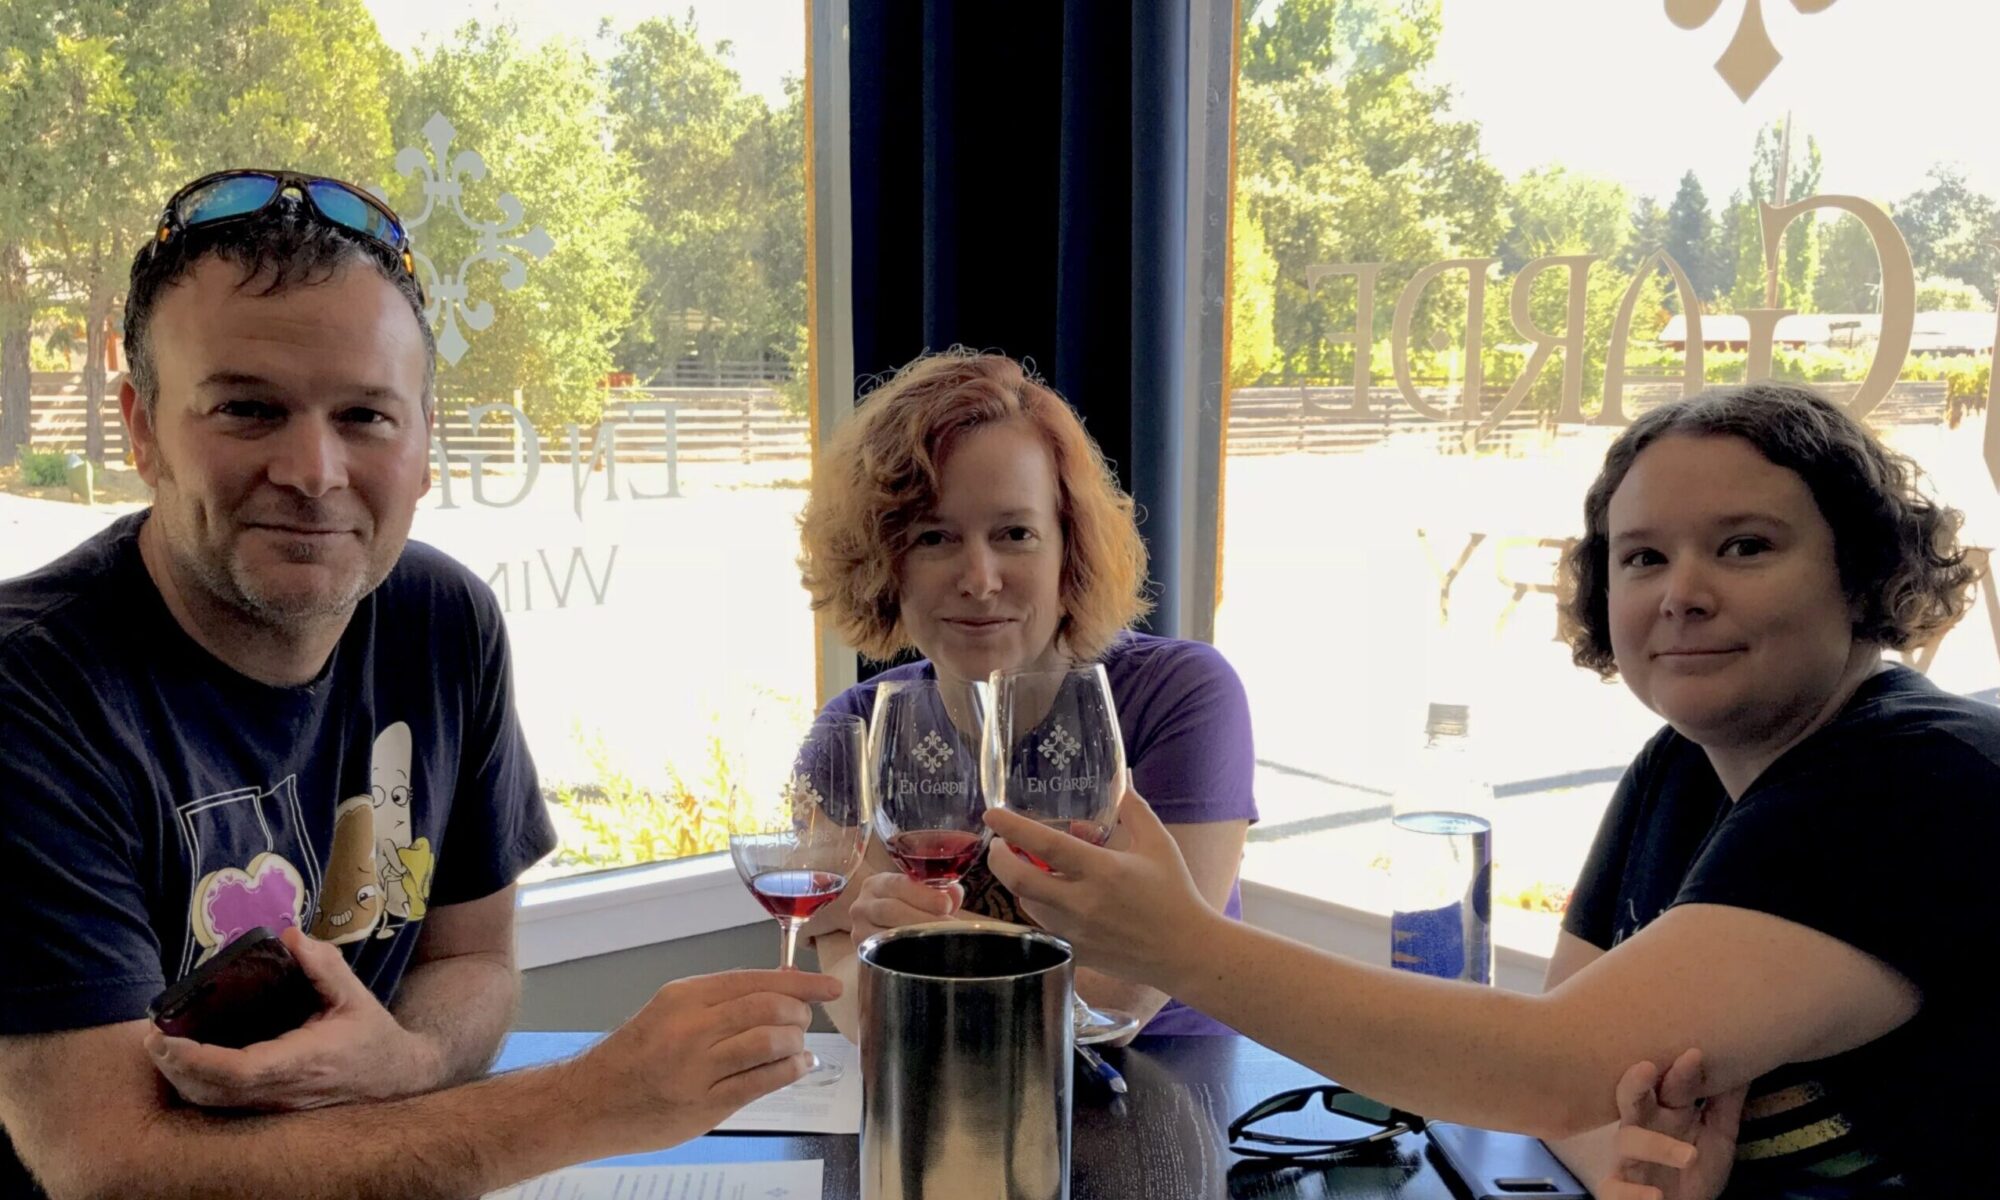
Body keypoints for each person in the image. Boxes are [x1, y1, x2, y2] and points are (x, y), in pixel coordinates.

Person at [0, 170, 835, 1200]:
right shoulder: (31, 690)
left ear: (426, 440)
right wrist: (592, 1102)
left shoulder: (444, 622)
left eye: (364, 416)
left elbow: (471, 961)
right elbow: (109, 1164)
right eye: (248, 410)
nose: (313, 469)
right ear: (141, 428)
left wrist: (412, 1060)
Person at [983, 381, 1997, 1194]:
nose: (1682, 592)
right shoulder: (1683, 765)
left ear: (1860, 571)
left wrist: (1182, 945)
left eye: (1743, 546)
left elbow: (1546, 1065)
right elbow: (1582, 1100)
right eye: (1642, 557)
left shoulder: (1914, 777)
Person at [795, 350, 1256, 1036]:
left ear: (1070, 546)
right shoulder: (854, 731)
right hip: (948, 1097)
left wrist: (917, 941)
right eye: (933, 537)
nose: (979, 579)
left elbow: (1121, 995)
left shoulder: (1182, 696)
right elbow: (867, 1014)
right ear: (882, 561)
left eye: (1015, 533)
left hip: (1167, 1096)